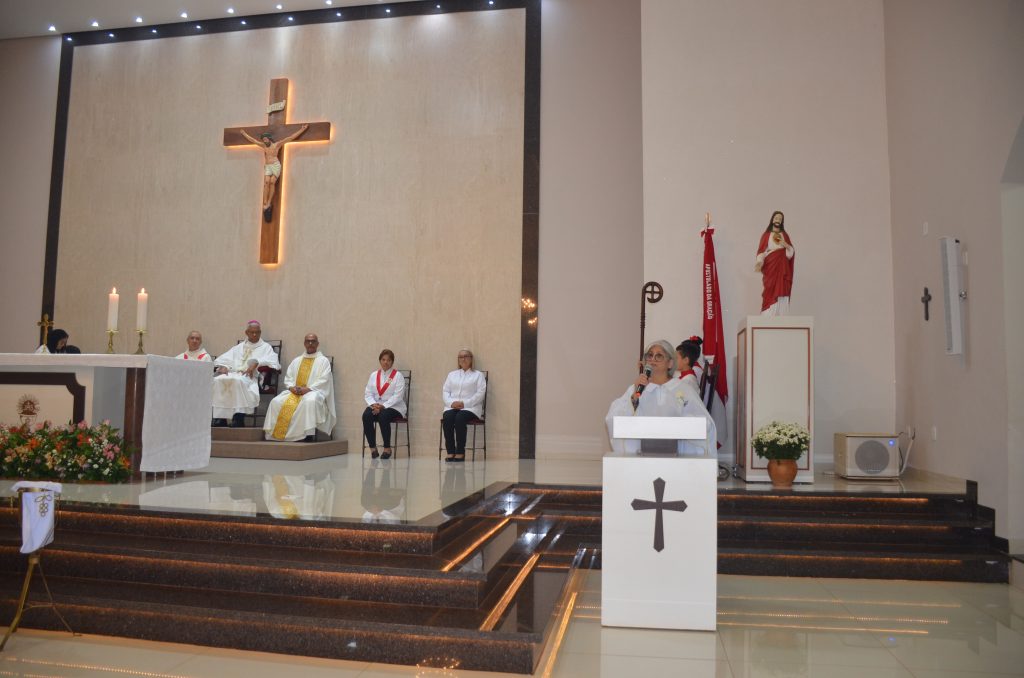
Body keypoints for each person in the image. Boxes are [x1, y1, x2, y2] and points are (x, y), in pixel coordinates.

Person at [605, 339, 716, 455]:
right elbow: (613, 418)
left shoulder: (683, 389)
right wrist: (634, 397)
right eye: (650, 355)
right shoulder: (637, 388)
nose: (653, 360)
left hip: (677, 457)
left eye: (659, 356)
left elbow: (705, 423)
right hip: (641, 456)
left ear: (670, 363)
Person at [264, 333, 336, 442]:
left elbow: (324, 380)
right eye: (308, 341)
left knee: (310, 401)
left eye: (313, 341)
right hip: (295, 392)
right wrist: (292, 388)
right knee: (276, 401)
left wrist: (308, 389)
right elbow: (289, 378)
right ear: (304, 343)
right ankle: (276, 434)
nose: (310, 343)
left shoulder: (323, 361)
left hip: (314, 391)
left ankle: (308, 434)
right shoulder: (297, 360)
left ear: (317, 344)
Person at [212, 321, 281, 427]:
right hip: (234, 374)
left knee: (238, 381)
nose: (254, 335)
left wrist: (256, 363)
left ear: (260, 332)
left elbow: (274, 362)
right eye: (252, 332)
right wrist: (224, 366)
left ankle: (238, 418)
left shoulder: (265, 347)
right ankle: (220, 418)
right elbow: (223, 359)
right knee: (218, 380)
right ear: (246, 332)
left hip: (250, 377)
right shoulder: (239, 347)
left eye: (257, 332)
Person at [239, 124, 309, 222]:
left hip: (275, 165)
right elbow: (253, 140)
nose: (264, 141)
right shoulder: (263, 146)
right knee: (266, 182)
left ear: (269, 138)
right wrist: (244, 133)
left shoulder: (277, 145)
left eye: (265, 139)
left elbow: (290, 137)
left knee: (272, 182)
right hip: (268, 166)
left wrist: (302, 129)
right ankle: (265, 202)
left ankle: (269, 202)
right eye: (263, 139)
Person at [441, 349, 487, 462]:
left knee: (459, 418)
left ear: (471, 358)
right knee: (447, 417)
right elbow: (445, 391)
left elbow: (480, 394)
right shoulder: (452, 375)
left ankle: (460, 451)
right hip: (453, 406)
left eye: (466, 356)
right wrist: (452, 403)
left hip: (471, 408)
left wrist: (465, 404)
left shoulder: (478, 375)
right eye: (460, 357)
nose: (463, 359)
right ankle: (451, 451)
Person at [362, 349, 407, 460]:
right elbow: (368, 393)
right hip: (376, 405)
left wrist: (383, 406)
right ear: (380, 360)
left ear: (392, 362)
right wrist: (374, 405)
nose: (386, 362)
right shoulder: (373, 375)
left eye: (388, 360)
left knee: (383, 415)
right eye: (383, 359)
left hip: (394, 407)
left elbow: (398, 396)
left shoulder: (398, 376)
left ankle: (387, 448)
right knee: (366, 415)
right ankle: (373, 448)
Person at [755, 210, 795, 316]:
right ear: (772, 219)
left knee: (783, 287)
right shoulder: (767, 235)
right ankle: (768, 312)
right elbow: (762, 251)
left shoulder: (784, 235)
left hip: (782, 266)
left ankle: (781, 312)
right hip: (771, 266)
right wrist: (759, 262)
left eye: (780, 219)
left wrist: (785, 245)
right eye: (776, 218)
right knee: (770, 288)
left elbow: (790, 254)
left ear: (782, 222)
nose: (778, 220)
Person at [675, 336, 703, 402]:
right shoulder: (687, 377)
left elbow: (679, 402)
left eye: (676, 358)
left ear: (686, 360)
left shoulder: (688, 381)